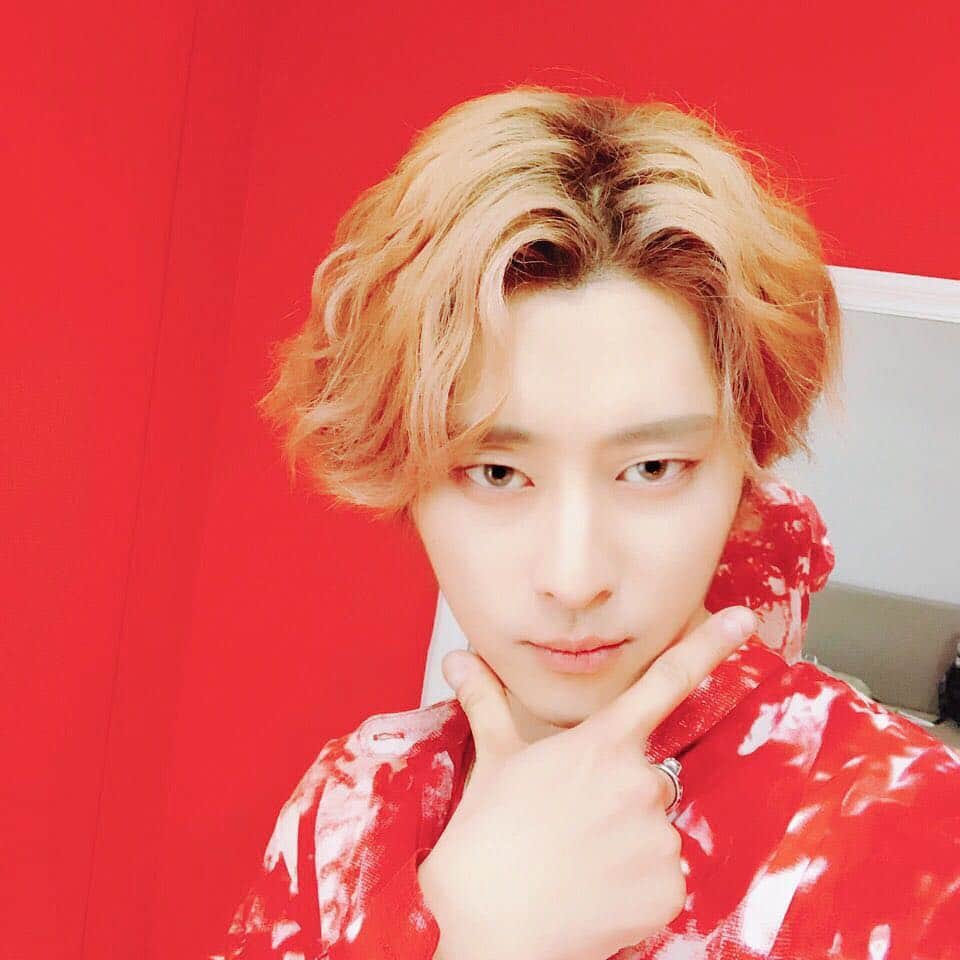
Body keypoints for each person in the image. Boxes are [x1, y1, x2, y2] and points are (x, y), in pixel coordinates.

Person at [212, 86, 960, 959]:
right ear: (406, 476)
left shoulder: (914, 832)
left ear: (745, 465)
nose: (574, 579)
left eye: (652, 469)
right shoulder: (350, 801)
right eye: (496, 472)